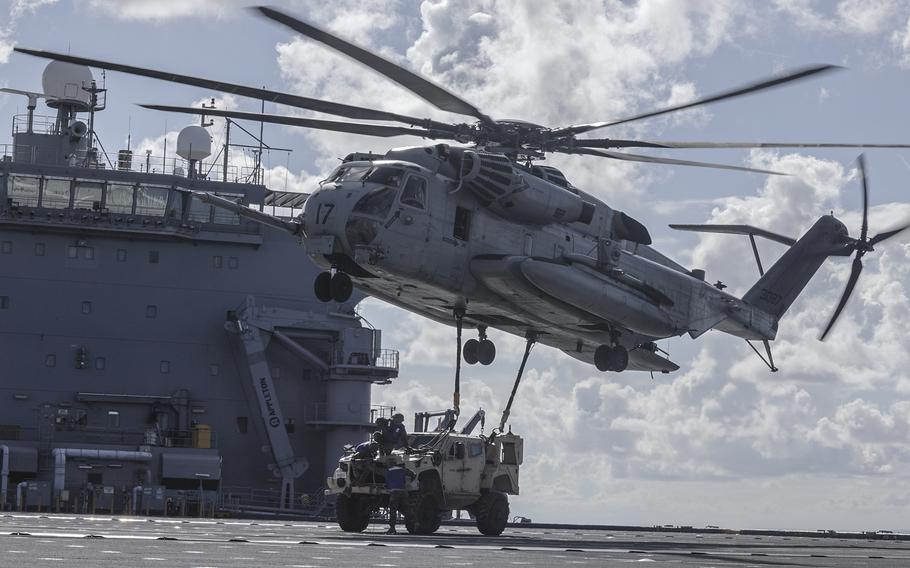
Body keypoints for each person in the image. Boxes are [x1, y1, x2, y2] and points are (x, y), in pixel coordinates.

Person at [385, 456, 408, 534]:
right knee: (407, 509)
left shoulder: (388, 472)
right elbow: (406, 479)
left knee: (393, 510)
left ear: (389, 464)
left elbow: (388, 484)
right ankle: (415, 524)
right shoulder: (401, 470)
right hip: (404, 492)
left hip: (394, 492)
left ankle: (392, 528)